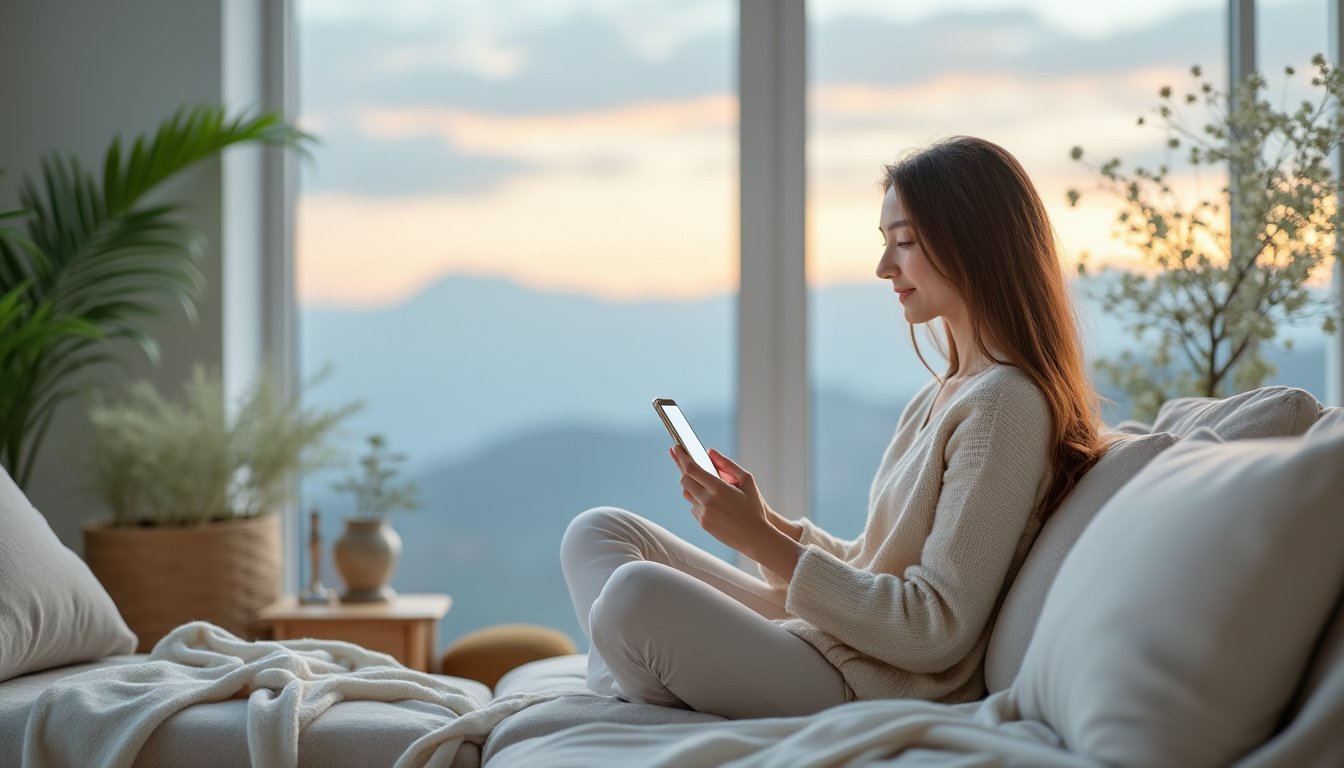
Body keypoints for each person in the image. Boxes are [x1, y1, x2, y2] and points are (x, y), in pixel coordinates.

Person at [561, 135, 1108, 720]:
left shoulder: (1006, 406)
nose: (883, 267)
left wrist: (758, 541)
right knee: (599, 533)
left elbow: (933, 628)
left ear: (975, 245)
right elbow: (870, 562)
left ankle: (633, 683)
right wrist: (765, 522)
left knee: (633, 596)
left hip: (874, 682)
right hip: (837, 643)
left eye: (904, 243)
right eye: (884, 243)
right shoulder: (942, 394)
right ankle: (639, 676)